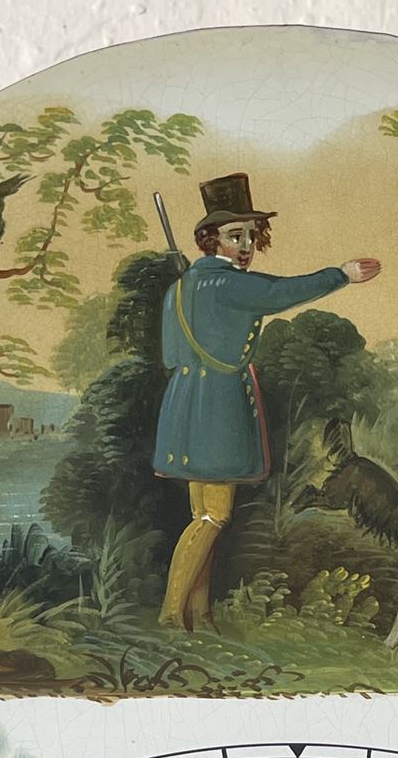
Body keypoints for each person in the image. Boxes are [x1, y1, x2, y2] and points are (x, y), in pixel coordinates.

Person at [154, 173, 379, 630]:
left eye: (250, 236)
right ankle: (170, 617)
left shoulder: (181, 288)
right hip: (216, 406)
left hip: (184, 404)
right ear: (209, 239)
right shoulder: (229, 284)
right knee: (214, 517)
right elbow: (279, 293)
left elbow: (171, 355)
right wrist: (343, 274)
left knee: (205, 516)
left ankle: (200, 614)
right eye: (235, 236)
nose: (245, 246)